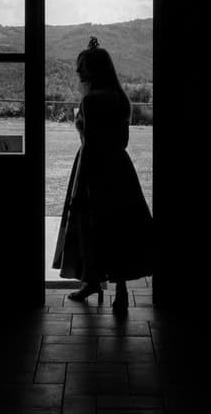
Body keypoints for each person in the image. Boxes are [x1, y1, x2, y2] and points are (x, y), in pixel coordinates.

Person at [52, 35, 154, 314]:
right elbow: (122, 140)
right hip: (119, 167)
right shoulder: (120, 98)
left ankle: (92, 282)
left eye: (82, 67)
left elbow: (90, 143)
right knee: (119, 227)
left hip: (93, 167)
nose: (78, 72)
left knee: (92, 227)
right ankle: (120, 291)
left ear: (92, 71)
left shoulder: (91, 101)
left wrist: (83, 181)